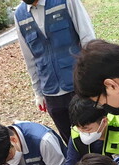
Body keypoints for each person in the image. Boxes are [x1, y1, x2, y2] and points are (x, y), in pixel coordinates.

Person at [14, 0, 95, 143]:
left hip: (78, 84)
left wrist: (93, 77)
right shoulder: (19, 15)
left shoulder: (66, 1)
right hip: (51, 94)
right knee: (73, 144)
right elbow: (30, 59)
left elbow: (87, 38)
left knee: (94, 135)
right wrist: (38, 93)